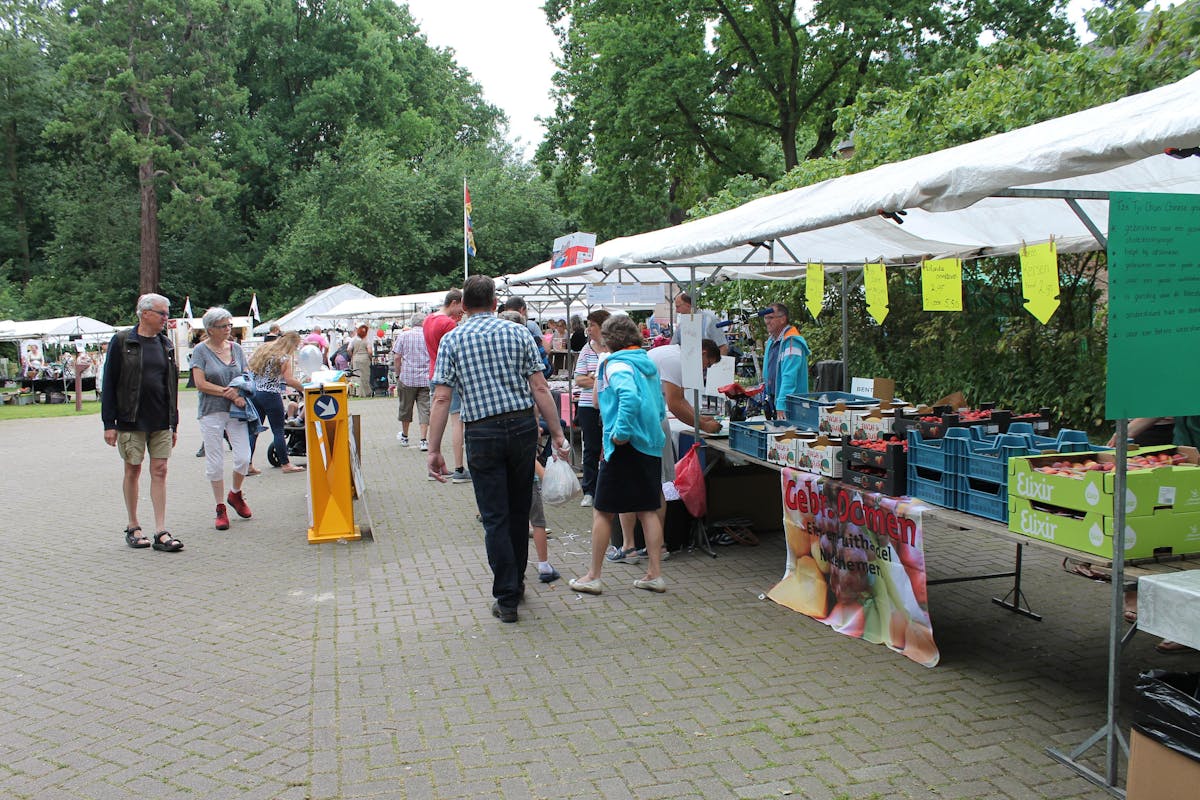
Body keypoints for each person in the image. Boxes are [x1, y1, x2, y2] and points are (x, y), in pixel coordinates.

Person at [427, 275, 569, 623]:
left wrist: (434, 449)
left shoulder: (453, 339)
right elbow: (540, 387)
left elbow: (442, 397)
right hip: (521, 428)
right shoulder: (518, 333)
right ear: (494, 303)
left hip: (482, 432)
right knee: (520, 512)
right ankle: (515, 584)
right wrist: (557, 433)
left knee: (495, 518)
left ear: (463, 305)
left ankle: (506, 598)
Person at [569, 314, 669, 595]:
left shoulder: (616, 364)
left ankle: (593, 576)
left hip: (625, 446)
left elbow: (628, 398)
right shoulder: (646, 363)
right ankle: (655, 574)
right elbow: (658, 404)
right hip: (650, 443)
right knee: (647, 509)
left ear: (609, 339)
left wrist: (620, 433)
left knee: (602, 511)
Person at [100, 293, 182, 552]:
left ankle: (161, 530)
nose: (166, 318)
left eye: (167, 313)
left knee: (160, 470)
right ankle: (133, 525)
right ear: (145, 314)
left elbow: (171, 386)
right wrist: (109, 423)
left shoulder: (165, 344)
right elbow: (109, 382)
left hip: (160, 418)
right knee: (133, 469)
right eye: (162, 313)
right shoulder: (123, 341)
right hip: (131, 417)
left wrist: (174, 423)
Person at [499, 309, 561, 585]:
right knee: (536, 514)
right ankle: (544, 565)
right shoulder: (526, 357)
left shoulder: (497, 361)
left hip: (496, 441)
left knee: (505, 513)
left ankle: (511, 569)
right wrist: (547, 430)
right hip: (524, 440)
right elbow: (538, 392)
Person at [190, 307, 254, 530]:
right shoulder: (200, 351)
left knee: (244, 457)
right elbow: (200, 383)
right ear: (210, 329)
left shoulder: (236, 349)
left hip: (237, 410)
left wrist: (241, 391)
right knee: (215, 461)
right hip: (211, 410)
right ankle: (220, 507)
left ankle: (235, 493)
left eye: (229, 325)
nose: (228, 329)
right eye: (223, 326)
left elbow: (247, 375)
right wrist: (228, 393)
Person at [424, 288, 470, 483]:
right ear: (454, 302)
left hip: (433, 372)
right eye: (461, 308)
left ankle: (434, 461)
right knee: (457, 421)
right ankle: (459, 468)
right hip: (451, 376)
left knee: (436, 416)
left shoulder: (428, 320)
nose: (462, 312)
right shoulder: (448, 324)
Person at [247, 331, 306, 474]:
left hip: (255, 393)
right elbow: (289, 380)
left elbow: (250, 369)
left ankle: (247, 464)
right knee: (278, 430)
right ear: (292, 344)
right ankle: (285, 464)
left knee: (254, 430)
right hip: (271, 394)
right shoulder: (283, 357)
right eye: (296, 346)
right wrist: (304, 389)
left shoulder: (263, 350)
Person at [573, 309, 612, 507]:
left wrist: (593, 377)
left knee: (611, 447)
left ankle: (609, 487)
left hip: (610, 406)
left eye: (592, 325)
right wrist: (600, 379)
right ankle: (589, 489)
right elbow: (579, 379)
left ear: (603, 326)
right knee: (591, 448)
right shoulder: (586, 349)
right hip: (588, 406)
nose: (588, 329)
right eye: (588, 325)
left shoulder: (614, 349)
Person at [760, 302, 811, 421]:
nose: (767, 322)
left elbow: (789, 376)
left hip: (792, 405)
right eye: (766, 318)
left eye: (770, 317)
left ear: (783, 319)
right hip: (774, 401)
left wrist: (781, 403)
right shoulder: (771, 341)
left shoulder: (792, 342)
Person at [392, 312, 431, 449]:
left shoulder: (404, 336)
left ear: (412, 323)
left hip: (407, 378)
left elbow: (397, 357)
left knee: (405, 408)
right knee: (425, 409)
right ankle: (423, 440)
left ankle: (405, 436)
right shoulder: (429, 335)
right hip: (426, 378)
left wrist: (398, 375)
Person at [670, 291, 729, 355]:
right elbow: (672, 348)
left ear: (688, 305)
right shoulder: (682, 325)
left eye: (678, 306)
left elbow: (723, 347)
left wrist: (717, 362)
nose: (677, 311)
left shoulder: (710, 320)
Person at [350, 324, 374, 398]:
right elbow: (370, 351)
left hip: (356, 358)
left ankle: (358, 392)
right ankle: (366, 393)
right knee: (365, 376)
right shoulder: (367, 340)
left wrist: (352, 356)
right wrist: (370, 358)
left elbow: (348, 349)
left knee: (357, 376)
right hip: (365, 358)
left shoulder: (353, 339)